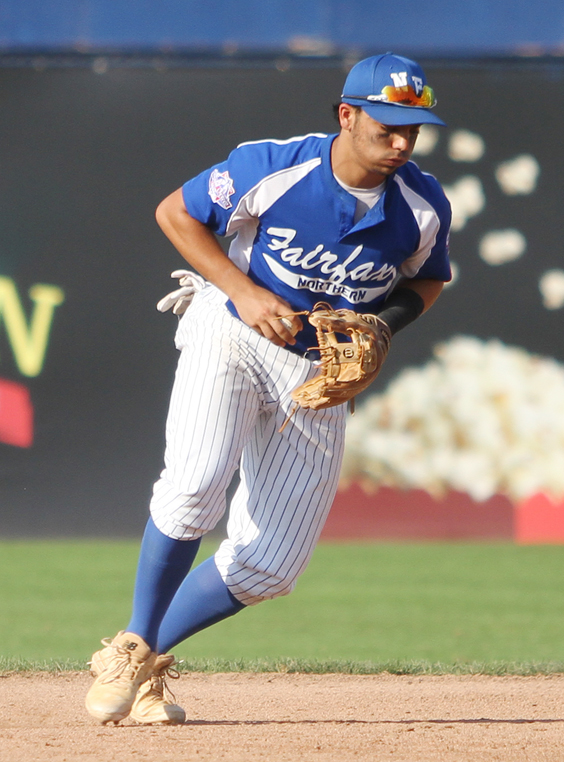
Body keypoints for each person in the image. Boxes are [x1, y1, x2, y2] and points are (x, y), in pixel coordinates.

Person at [85, 52, 452, 725]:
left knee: (270, 567)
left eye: (413, 130)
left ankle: (143, 657)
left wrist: (383, 324)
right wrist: (241, 290)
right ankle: (132, 642)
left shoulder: (423, 205)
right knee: (194, 487)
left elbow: (427, 279)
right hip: (231, 331)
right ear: (347, 115)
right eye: (387, 127)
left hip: (316, 374)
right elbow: (175, 213)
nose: (402, 143)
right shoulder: (275, 166)